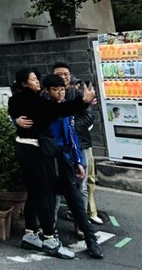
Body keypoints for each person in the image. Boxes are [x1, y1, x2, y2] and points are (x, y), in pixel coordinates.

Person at [8, 67, 96, 259]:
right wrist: (83, 101)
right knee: (45, 193)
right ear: (24, 83)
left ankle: (30, 235)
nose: (37, 82)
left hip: (23, 148)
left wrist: (15, 121)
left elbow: (15, 112)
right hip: (35, 150)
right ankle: (50, 240)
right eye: (33, 79)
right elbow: (59, 110)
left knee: (34, 192)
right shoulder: (35, 100)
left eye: (37, 78)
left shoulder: (16, 99)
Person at [42, 74, 103, 259]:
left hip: (66, 159)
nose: (60, 93)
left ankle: (91, 240)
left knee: (75, 200)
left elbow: (72, 136)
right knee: (50, 200)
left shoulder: (67, 109)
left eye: (62, 89)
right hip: (49, 160)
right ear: (47, 91)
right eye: (55, 89)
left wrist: (77, 161)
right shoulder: (45, 108)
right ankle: (50, 236)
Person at [52, 62, 103, 227]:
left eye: (65, 74)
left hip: (80, 145)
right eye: (58, 74)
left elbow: (88, 117)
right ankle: (51, 227)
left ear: (70, 76)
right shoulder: (47, 95)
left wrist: (70, 127)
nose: (63, 77)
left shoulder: (79, 94)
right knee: (55, 187)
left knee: (81, 186)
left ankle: (81, 225)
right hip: (57, 148)